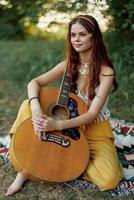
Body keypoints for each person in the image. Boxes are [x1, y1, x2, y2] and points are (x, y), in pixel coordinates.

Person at [6, 15, 123, 196]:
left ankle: (65, 164)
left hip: (94, 128)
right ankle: (26, 166)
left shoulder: (106, 72)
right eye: (72, 35)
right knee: (26, 105)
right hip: (66, 121)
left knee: (109, 179)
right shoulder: (69, 64)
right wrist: (36, 109)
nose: (76, 39)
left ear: (94, 37)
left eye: (82, 34)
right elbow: (34, 83)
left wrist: (57, 125)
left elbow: (92, 114)